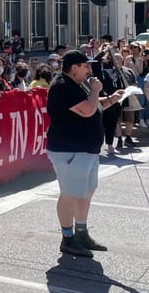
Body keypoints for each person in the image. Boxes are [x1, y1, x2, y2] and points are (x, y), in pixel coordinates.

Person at [46, 50, 123, 258]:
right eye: (85, 65)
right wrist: (96, 90)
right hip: (70, 150)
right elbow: (88, 110)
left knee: (85, 193)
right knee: (70, 194)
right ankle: (67, 238)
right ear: (74, 68)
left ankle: (81, 233)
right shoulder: (62, 85)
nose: (90, 69)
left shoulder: (77, 84)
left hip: (86, 150)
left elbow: (93, 106)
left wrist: (112, 99)